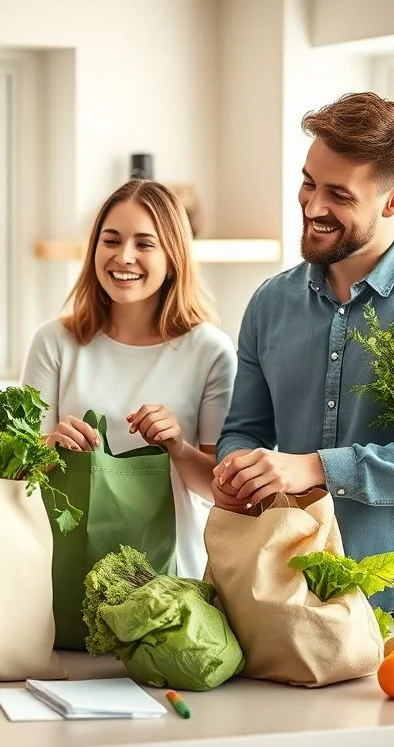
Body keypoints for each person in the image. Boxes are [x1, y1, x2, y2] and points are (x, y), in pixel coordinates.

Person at [213, 92, 394, 621]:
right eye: (308, 183)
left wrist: (316, 468)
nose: (312, 207)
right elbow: (245, 430)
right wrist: (237, 469)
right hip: (294, 595)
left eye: (338, 195)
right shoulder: (270, 303)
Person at [22, 179, 237, 578]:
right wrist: (51, 447)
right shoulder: (54, 341)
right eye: (111, 240)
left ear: (173, 256)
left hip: (172, 576)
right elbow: (17, 471)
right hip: (68, 567)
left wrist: (178, 447)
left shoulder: (210, 350)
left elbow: (220, 488)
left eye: (144, 244)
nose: (123, 257)